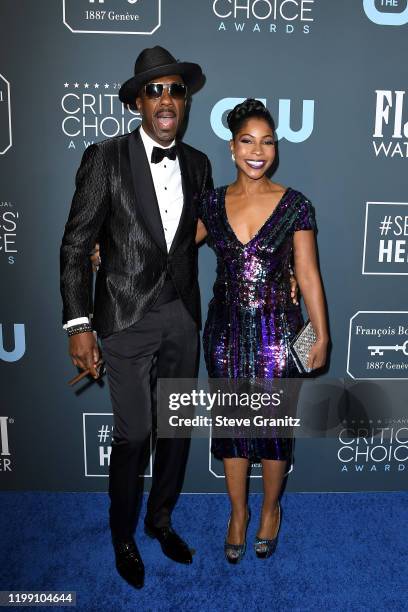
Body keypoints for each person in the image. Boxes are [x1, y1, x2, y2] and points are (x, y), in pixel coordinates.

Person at [60, 46, 214, 590]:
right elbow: (76, 245)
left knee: (175, 428)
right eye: (155, 90)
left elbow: (199, 230)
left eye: (175, 89)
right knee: (134, 433)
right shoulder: (105, 157)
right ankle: (122, 533)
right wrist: (79, 325)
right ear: (137, 103)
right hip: (124, 316)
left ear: (185, 100)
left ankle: (160, 520)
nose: (167, 99)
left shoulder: (198, 163)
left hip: (181, 313)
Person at [197, 99, 329, 563]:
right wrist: (108, 251)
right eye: (248, 141)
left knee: (273, 431)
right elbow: (166, 248)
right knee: (232, 427)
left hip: (279, 332)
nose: (258, 151)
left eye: (267, 142)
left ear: (276, 148)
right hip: (225, 334)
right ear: (232, 148)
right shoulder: (210, 203)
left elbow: (308, 275)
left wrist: (322, 333)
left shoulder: (295, 205)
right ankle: (238, 514)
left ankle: (271, 510)